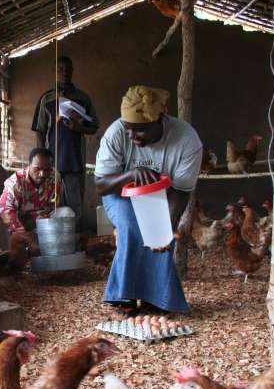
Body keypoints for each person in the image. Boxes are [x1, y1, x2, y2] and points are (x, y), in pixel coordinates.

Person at [94, 85, 203, 316]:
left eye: (141, 130)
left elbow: (181, 192)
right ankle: (126, 295)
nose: (133, 137)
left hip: (164, 196)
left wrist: (167, 228)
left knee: (160, 234)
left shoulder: (186, 140)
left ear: (160, 120)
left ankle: (157, 298)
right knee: (132, 224)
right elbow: (100, 185)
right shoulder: (115, 133)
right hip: (119, 193)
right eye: (129, 130)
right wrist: (130, 174)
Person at [31, 56, 98, 232]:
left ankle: (74, 243)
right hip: (52, 165)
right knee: (52, 205)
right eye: (60, 69)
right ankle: (54, 243)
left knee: (75, 208)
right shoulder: (46, 99)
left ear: (72, 71)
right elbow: (39, 130)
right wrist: (42, 161)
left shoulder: (82, 98)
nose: (64, 73)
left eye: (67, 69)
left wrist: (78, 127)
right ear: (55, 72)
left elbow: (93, 127)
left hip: (75, 161)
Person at [0, 147, 61, 247]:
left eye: (47, 170)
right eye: (37, 169)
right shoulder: (16, 182)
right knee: (0, 218)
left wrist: (40, 226)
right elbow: (6, 210)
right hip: (17, 219)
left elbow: (54, 204)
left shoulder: (54, 178)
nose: (42, 174)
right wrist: (25, 236)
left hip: (38, 219)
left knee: (65, 212)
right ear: (29, 165)